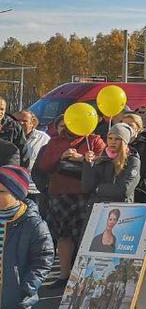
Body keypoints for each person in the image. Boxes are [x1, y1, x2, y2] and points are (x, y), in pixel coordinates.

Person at [0, 165, 54, 309]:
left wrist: (27, 287)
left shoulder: (32, 223)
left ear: (16, 194)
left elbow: (44, 258)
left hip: (15, 302)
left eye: (1, 192)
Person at [35, 115, 104, 286]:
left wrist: (83, 158)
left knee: (85, 235)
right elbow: (44, 165)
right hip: (60, 194)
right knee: (64, 235)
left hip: (85, 193)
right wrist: (61, 156)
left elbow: (104, 164)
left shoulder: (94, 140)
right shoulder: (56, 141)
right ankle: (64, 275)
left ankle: (83, 277)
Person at [81, 123, 139, 217]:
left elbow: (124, 190)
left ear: (124, 142)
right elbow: (87, 187)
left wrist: (98, 189)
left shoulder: (132, 161)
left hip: (121, 210)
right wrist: (87, 163)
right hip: (98, 210)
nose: (113, 142)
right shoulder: (101, 158)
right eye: (110, 138)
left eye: (117, 139)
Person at [117, 113, 146, 203]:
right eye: (124, 125)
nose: (126, 128)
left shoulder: (145, 141)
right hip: (119, 189)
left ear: (138, 128)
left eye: (130, 125)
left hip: (139, 188)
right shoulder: (117, 140)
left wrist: (130, 180)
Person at [0, 98, 27, 167]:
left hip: (8, 168)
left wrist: (22, 171)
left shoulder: (14, 126)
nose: (0, 112)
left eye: (2, 109)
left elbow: (23, 151)